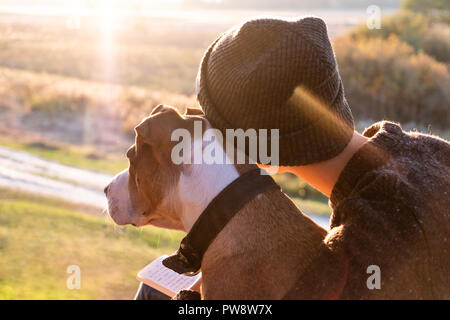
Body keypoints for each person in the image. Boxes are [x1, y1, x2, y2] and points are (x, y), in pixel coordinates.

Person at [136, 16, 449, 299]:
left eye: (215, 130)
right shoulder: (425, 150)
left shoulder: (368, 253)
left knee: (154, 294)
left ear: (258, 148)